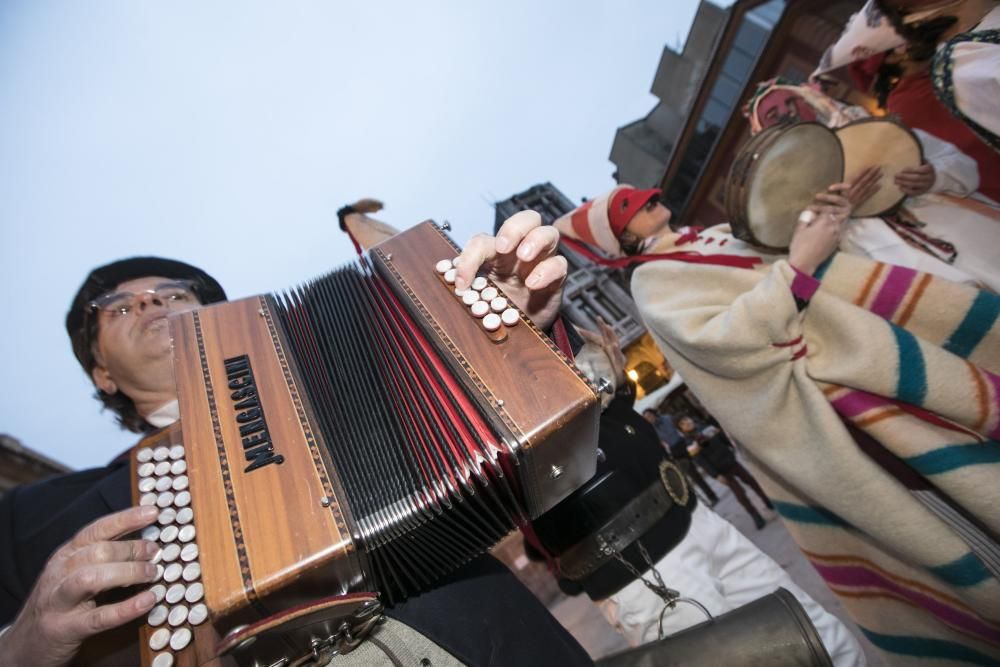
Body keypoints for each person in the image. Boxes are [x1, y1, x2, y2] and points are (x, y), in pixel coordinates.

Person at [0, 212, 595, 666]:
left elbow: (495, 427)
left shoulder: (342, 367)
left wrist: (505, 336)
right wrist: (21, 646)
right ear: (102, 372)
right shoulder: (28, 519)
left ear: (219, 321)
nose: (152, 301)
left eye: (175, 293)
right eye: (119, 308)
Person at [554, 184, 1000, 664]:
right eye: (630, 207)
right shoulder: (651, 281)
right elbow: (725, 340)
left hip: (867, 365)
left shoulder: (713, 235)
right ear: (620, 239)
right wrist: (799, 266)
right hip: (839, 406)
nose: (650, 199)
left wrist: (821, 227)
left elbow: (796, 264)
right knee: (941, 510)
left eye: (645, 196)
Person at [746, 78, 1000, 293]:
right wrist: (841, 214)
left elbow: (960, 163)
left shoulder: (877, 133)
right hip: (912, 269)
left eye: (791, 101)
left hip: (964, 227)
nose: (787, 113)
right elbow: (819, 261)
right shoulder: (791, 198)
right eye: (772, 115)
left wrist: (935, 176)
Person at [676, 416, 774, 530]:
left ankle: (768, 501)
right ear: (681, 429)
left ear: (691, 419)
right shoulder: (690, 444)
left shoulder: (707, 428)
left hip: (731, 461)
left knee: (751, 481)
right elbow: (702, 462)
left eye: (687, 420)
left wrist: (732, 449)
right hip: (721, 470)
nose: (687, 423)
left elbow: (723, 438)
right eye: (682, 423)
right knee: (740, 494)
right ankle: (755, 515)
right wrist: (716, 475)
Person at [642, 408, 720, 506]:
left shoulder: (667, 418)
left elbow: (680, 428)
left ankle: (721, 475)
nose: (649, 419)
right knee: (694, 476)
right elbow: (660, 442)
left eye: (649, 416)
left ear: (653, 414)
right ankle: (712, 496)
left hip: (684, 443)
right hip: (675, 451)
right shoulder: (652, 429)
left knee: (705, 463)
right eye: (646, 418)